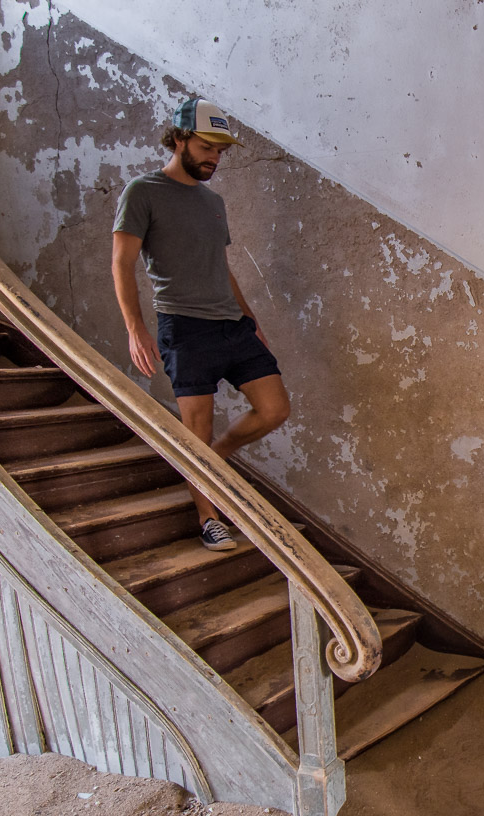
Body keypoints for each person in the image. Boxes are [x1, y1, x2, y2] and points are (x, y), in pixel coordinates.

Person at [111, 98, 290, 551]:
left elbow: (220, 266)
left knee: (274, 409)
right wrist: (136, 329)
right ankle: (209, 518)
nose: (214, 158)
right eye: (207, 147)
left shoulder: (213, 201)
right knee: (197, 429)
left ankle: (214, 461)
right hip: (184, 328)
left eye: (220, 152)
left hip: (231, 325)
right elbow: (122, 263)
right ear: (180, 137)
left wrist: (250, 319)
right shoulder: (142, 192)